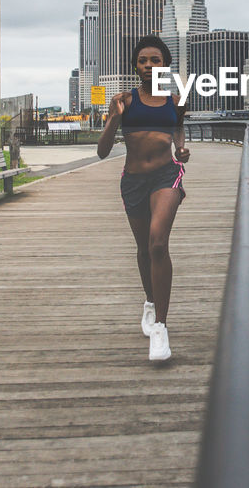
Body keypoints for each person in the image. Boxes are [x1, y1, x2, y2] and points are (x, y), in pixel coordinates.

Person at [96, 35, 190, 361]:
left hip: (167, 176)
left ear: (165, 64)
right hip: (133, 180)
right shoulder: (124, 101)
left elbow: (177, 129)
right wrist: (114, 119)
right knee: (143, 249)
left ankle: (160, 328)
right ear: (136, 66)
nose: (149, 66)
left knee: (158, 244)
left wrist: (180, 148)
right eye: (143, 61)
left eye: (155, 60)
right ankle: (150, 301)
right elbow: (102, 151)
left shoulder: (175, 101)